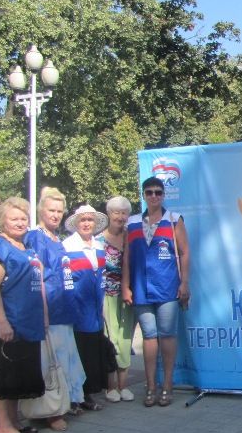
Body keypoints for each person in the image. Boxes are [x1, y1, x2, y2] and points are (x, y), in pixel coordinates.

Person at [0, 197, 45, 433]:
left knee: (17, 376)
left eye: (23, 218)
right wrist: (3, 323)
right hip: (7, 326)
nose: (20, 222)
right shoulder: (0, 248)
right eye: (14, 218)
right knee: (5, 377)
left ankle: (14, 422)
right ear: (2, 221)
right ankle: (3, 428)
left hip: (26, 324)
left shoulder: (24, 245)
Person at [122, 176, 191, 407]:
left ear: (163, 195)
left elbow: (184, 252)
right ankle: (150, 386)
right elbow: (127, 257)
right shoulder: (132, 223)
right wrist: (125, 286)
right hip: (141, 288)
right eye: (149, 192)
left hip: (167, 287)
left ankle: (167, 385)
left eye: (158, 192)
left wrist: (184, 283)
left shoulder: (173, 220)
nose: (154, 196)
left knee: (167, 335)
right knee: (149, 336)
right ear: (143, 195)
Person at [25, 187, 86, 430]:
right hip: (48, 308)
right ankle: (50, 411)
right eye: (51, 210)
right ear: (41, 210)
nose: (55, 215)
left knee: (64, 360)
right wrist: (41, 310)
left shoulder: (55, 237)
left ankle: (63, 403)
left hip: (64, 307)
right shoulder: (35, 237)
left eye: (59, 211)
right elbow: (35, 275)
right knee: (50, 362)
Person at [63, 204, 109, 411]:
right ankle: (74, 397)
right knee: (77, 353)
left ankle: (87, 394)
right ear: (76, 223)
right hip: (77, 309)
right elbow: (66, 280)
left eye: (90, 220)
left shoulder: (99, 246)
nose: (87, 223)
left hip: (95, 310)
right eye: (83, 220)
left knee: (91, 353)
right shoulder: (67, 246)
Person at [96, 196, 135, 403]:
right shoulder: (98, 241)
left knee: (126, 338)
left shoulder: (132, 237)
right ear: (109, 213)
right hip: (107, 295)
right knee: (111, 339)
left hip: (128, 295)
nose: (120, 217)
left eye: (124, 213)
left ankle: (123, 385)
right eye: (116, 212)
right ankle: (110, 387)